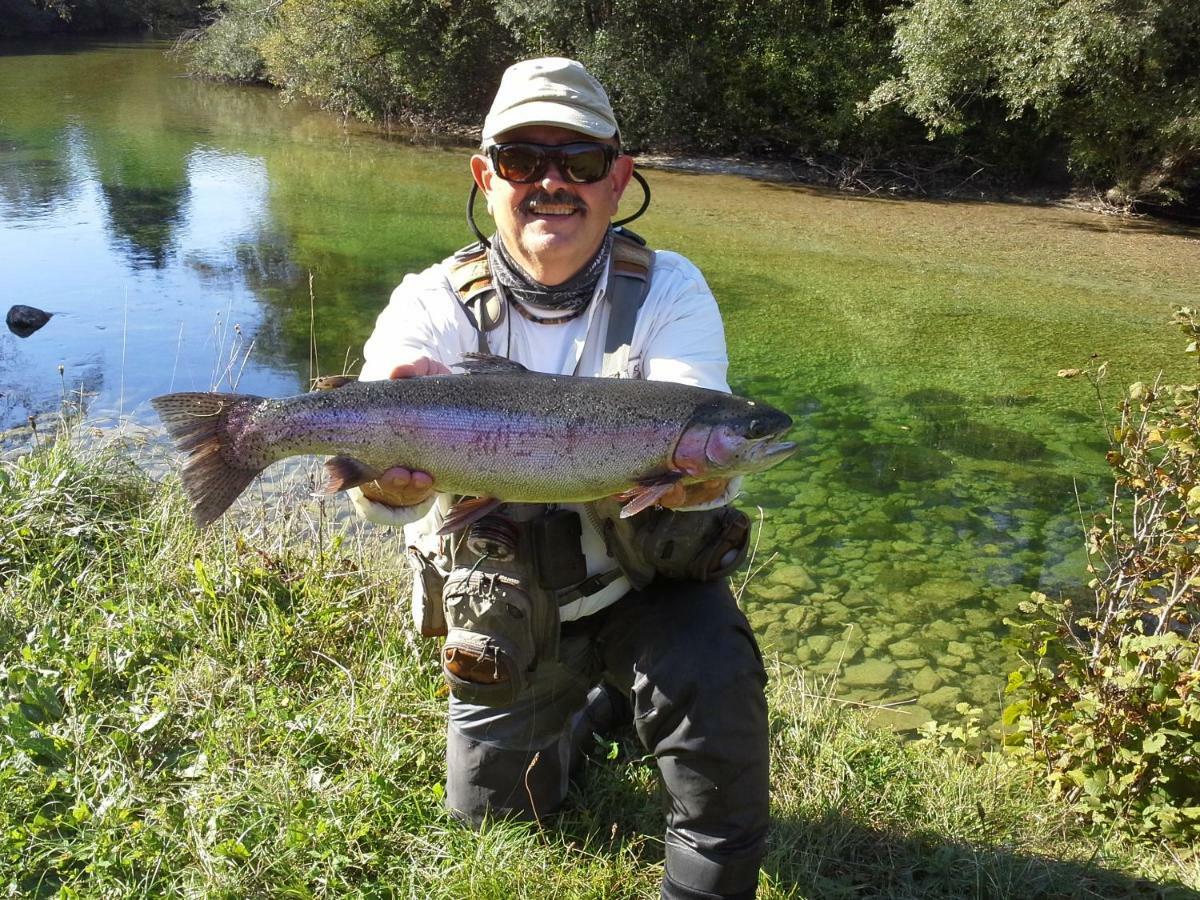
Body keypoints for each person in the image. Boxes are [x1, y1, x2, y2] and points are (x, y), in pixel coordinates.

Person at [348, 57, 769, 900]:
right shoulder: (430, 301)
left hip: (643, 591)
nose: (550, 183)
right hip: (511, 615)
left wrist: (706, 483)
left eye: (578, 162)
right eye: (520, 161)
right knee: (495, 824)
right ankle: (592, 715)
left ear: (619, 179)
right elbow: (380, 482)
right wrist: (383, 485)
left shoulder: (670, 291)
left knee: (714, 678)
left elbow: (703, 431)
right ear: (485, 176)